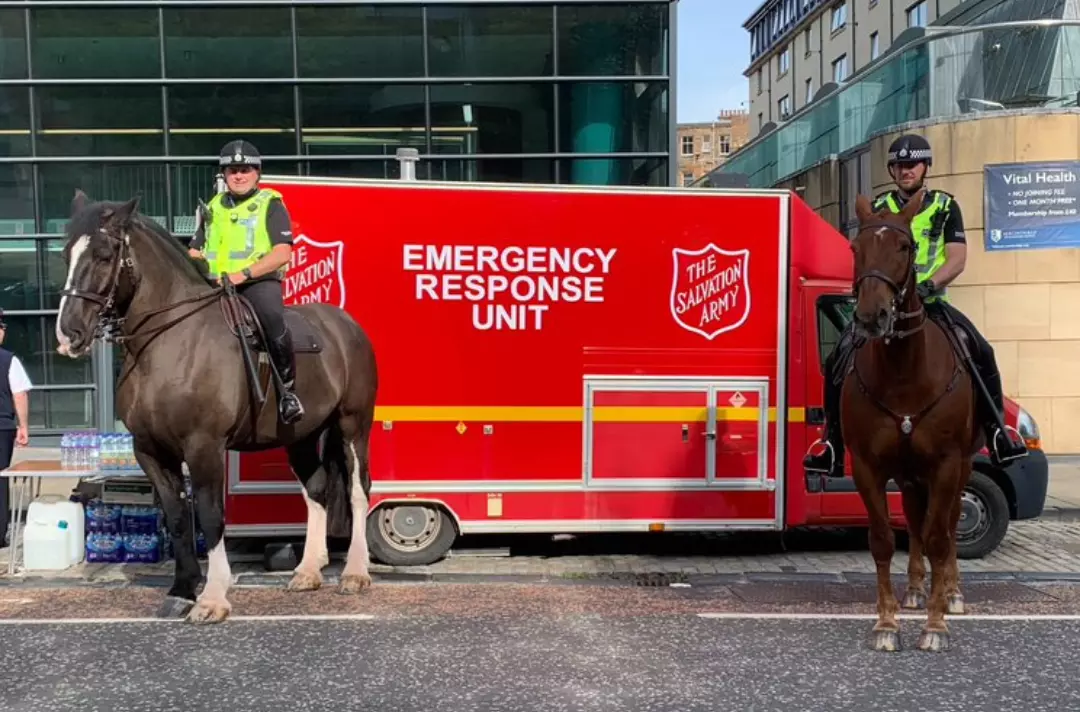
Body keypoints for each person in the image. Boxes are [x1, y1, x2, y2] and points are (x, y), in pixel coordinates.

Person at [803, 132, 1027, 479]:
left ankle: (999, 432)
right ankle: (830, 442)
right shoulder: (880, 208)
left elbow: (957, 258)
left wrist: (929, 284)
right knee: (839, 356)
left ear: (925, 167)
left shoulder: (945, 205)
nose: (905, 170)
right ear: (892, 170)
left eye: (912, 164)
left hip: (931, 303)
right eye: (899, 165)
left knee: (982, 350)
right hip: (886, 304)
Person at [188, 140, 305, 425]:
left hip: (256, 283)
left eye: (245, 170)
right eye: (232, 170)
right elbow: (195, 249)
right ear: (224, 175)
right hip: (213, 285)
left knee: (272, 318)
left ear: (257, 173)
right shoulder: (212, 206)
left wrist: (243, 275)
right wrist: (197, 264)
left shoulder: (270, 204)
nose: (239, 176)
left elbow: (282, 252)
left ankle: (287, 393)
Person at [0, 308, 32, 547]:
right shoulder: (8, 360)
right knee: (0, 479)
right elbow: (18, 395)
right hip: (1, 426)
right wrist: (23, 426)